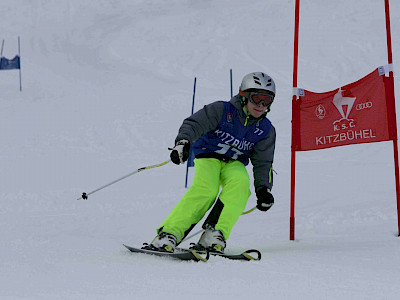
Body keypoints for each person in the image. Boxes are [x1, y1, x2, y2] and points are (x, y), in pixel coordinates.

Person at [145, 72, 276, 253]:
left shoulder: (265, 129)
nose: (261, 106)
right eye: (257, 99)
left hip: (234, 162)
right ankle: (169, 233)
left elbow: (264, 162)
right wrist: (182, 143)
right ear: (243, 95)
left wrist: (263, 189)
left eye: (267, 100)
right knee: (207, 189)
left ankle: (214, 234)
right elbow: (194, 124)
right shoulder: (222, 110)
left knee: (240, 185)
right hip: (208, 155)